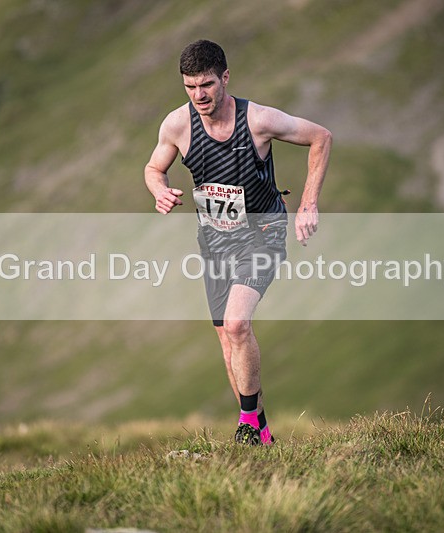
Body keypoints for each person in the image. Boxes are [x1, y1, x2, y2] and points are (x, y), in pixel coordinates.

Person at [144, 39, 332, 446]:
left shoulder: (259, 120)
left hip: (263, 234)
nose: (200, 96)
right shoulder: (176, 125)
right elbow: (153, 167)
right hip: (213, 243)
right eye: (190, 87)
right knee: (227, 339)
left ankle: (247, 423)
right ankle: (260, 433)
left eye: (207, 85)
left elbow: (321, 137)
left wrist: (308, 203)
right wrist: (159, 189)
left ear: (225, 78)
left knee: (237, 323)